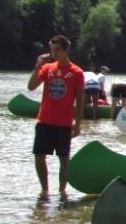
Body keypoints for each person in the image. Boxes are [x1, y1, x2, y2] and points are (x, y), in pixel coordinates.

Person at [27, 34, 84, 197]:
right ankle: (45, 190)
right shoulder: (47, 68)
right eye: (52, 50)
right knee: (39, 156)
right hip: (44, 120)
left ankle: (62, 191)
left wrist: (78, 124)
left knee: (64, 159)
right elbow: (31, 86)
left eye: (57, 50)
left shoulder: (77, 72)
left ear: (66, 50)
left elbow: (80, 101)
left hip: (64, 123)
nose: (54, 53)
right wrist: (38, 66)